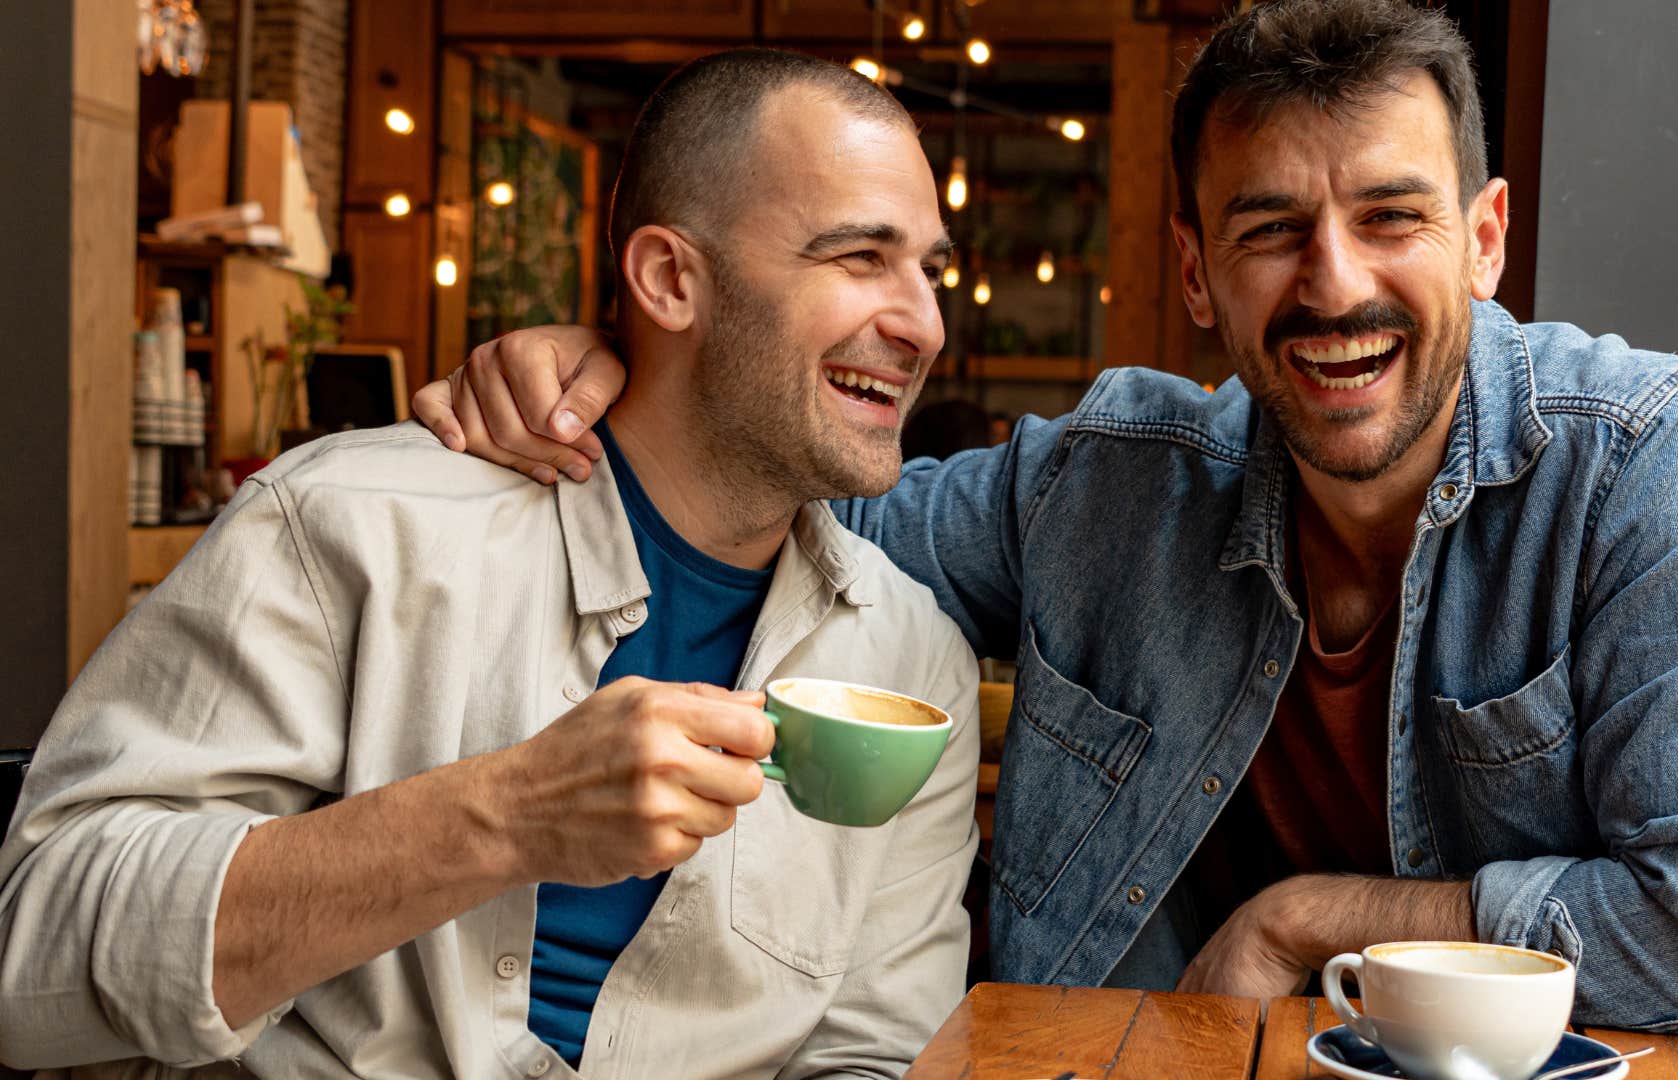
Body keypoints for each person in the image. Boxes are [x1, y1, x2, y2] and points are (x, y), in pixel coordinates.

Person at [415, 0, 1678, 1034]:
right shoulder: (1100, 486)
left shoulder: (1656, 466)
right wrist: (626, 368)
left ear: (1484, 238)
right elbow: (778, 512)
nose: (1332, 283)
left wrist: (1298, 923)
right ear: (1198, 270)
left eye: (1392, 218)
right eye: (1270, 227)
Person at [0, 49, 979, 1078]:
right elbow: (33, 954)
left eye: (930, 269)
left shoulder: (912, 664)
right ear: (669, 279)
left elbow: (873, 1054)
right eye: (861, 257)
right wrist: (502, 817)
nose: (924, 322)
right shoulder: (354, 524)